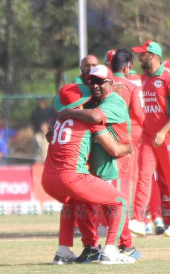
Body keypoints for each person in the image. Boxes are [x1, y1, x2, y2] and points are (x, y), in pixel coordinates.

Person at [43, 82, 135, 264]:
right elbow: (114, 150)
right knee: (120, 201)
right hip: (72, 175)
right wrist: (130, 148)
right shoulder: (88, 120)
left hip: (48, 178)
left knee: (70, 203)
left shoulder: (59, 122)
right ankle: (110, 251)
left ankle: (63, 252)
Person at [64, 64, 139, 262]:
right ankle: (90, 247)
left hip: (112, 164)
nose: (95, 85)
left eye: (100, 82)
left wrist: (68, 113)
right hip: (93, 165)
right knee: (81, 203)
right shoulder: (90, 102)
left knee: (113, 207)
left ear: (110, 84)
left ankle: (126, 246)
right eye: (91, 81)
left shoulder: (114, 102)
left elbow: (95, 117)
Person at [129, 40, 170, 237]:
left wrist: (163, 131)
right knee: (144, 176)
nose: (139, 58)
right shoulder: (144, 77)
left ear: (152, 56)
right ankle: (138, 220)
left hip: (168, 137)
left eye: (142, 54)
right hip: (148, 136)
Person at [110, 49, 145, 236]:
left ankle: (102, 221)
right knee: (126, 180)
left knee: (103, 179)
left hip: (102, 138)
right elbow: (139, 114)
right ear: (126, 67)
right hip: (123, 139)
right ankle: (123, 223)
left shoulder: (103, 85)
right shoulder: (131, 87)